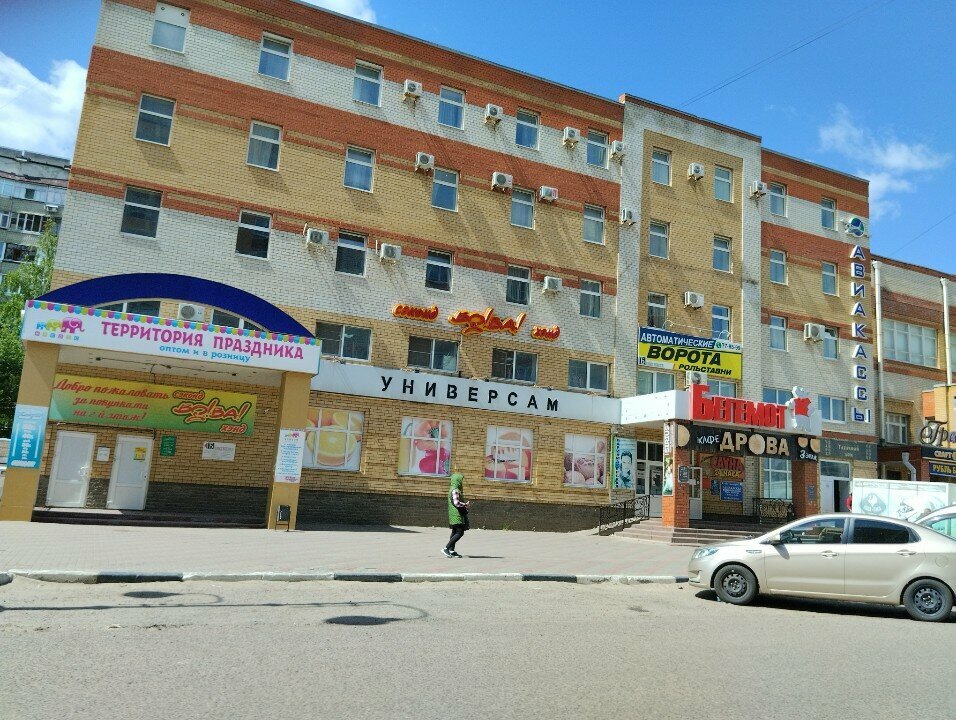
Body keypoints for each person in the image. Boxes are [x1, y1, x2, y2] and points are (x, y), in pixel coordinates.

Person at [443, 471, 470, 558]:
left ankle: (451, 550)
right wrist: (465, 505)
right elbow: (457, 503)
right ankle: (446, 548)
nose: (461, 482)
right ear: (457, 480)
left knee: (454, 531)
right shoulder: (455, 490)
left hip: (454, 514)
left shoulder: (453, 488)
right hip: (456, 514)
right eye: (461, 480)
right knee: (460, 532)